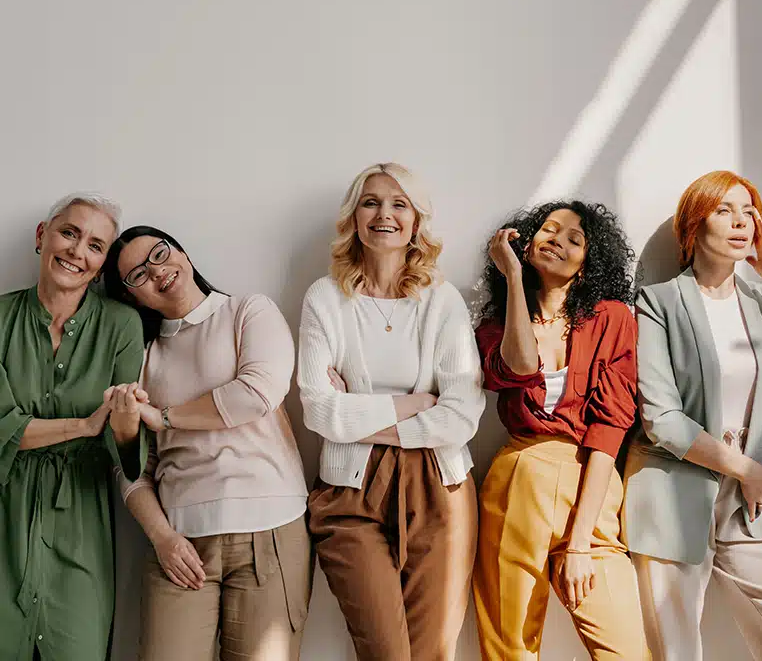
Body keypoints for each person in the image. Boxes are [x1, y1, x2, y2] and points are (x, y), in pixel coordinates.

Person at [298, 162, 485, 661]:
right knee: (386, 653)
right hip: (348, 495)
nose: (385, 214)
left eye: (399, 203)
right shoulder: (325, 298)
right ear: (354, 217)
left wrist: (356, 416)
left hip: (440, 489)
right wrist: (411, 405)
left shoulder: (442, 302)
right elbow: (318, 409)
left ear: (417, 220)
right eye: (371, 201)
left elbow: (462, 416)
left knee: (431, 654)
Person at [104, 225, 312, 661]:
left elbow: (258, 393)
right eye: (137, 274)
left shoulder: (248, 311)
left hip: (271, 531)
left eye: (160, 254)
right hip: (179, 542)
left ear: (181, 250)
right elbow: (129, 467)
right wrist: (162, 537)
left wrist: (163, 417)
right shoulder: (139, 356)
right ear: (130, 296)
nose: (157, 272)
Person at [624, 170, 762, 660]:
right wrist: (744, 468)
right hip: (675, 490)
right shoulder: (657, 302)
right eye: (724, 210)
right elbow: (661, 417)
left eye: (749, 211)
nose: (741, 222)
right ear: (693, 225)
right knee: (677, 652)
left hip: (753, 504)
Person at [473, 200, 650, 660]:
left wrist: (579, 545)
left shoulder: (612, 318)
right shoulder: (496, 325)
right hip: (519, 479)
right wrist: (514, 279)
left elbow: (612, 426)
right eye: (549, 230)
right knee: (509, 646)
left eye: (575, 238)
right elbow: (519, 365)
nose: (558, 240)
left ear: (589, 263)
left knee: (626, 649)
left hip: (589, 485)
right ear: (526, 244)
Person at [0, 192, 146, 661]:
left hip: (82, 516)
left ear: (102, 262)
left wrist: (124, 421)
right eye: (69, 233)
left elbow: (125, 446)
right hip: (6, 510)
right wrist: (85, 424)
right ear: (43, 236)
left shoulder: (122, 325)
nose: (77, 252)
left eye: (96, 246)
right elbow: (4, 429)